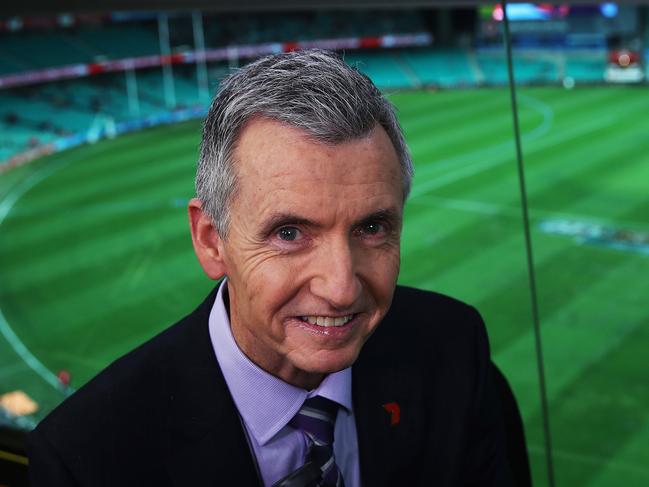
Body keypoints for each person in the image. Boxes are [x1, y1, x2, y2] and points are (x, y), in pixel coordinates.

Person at [28, 49, 513, 486]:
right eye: (289, 234)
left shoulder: (454, 349)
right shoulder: (85, 459)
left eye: (371, 228)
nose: (341, 288)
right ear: (211, 240)